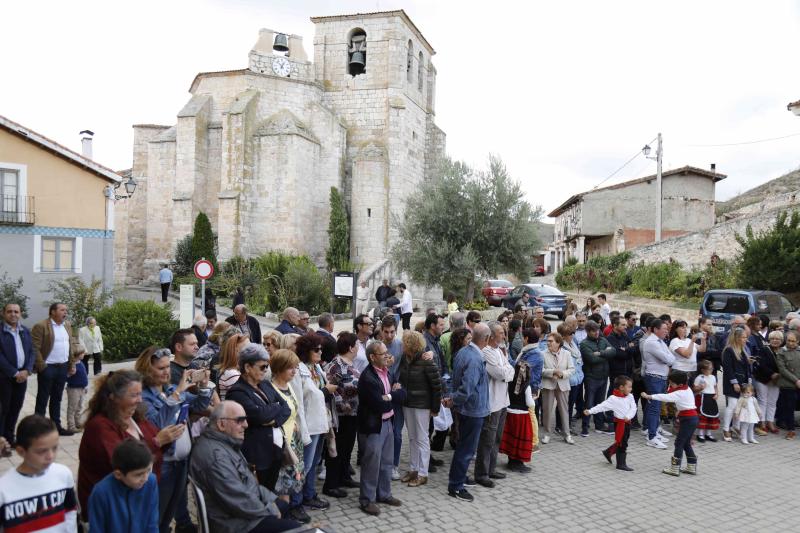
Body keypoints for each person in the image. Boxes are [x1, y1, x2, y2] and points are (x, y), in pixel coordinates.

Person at [78, 370, 184, 521]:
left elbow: (156, 445)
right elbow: (124, 462)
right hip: (113, 511)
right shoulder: (99, 427)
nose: (140, 400)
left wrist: (170, 435)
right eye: (133, 395)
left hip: (137, 503)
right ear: (114, 397)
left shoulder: (135, 418)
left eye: (140, 394)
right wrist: (157, 441)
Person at [189, 401, 301, 533]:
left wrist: (271, 500)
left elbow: (249, 484)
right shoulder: (215, 457)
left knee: (282, 505)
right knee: (296, 528)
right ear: (221, 424)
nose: (246, 425)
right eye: (240, 420)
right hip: (233, 523)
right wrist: (270, 510)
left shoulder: (224, 443)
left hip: (240, 513)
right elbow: (237, 499)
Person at [137, 346, 213, 533]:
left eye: (167, 367)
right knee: (159, 513)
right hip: (164, 463)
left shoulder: (170, 388)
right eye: (161, 368)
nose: (166, 372)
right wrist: (178, 393)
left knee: (173, 509)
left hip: (182, 461)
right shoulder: (143, 397)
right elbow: (159, 423)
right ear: (147, 370)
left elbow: (200, 405)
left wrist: (203, 386)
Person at [225, 345, 292, 491]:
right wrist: (275, 407)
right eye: (262, 367)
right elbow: (260, 416)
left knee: (270, 492)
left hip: (274, 451)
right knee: (258, 496)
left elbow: (286, 407)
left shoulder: (265, 384)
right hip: (256, 455)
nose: (266, 370)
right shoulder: (237, 392)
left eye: (267, 366)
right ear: (247, 367)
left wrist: (273, 420)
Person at [0, 415, 77, 531]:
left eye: (55, 448)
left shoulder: (63, 474)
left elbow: (70, 512)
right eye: (42, 451)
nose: (50, 456)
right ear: (21, 451)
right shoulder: (3, 489)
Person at [357, 341, 405, 515]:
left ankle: (384, 494)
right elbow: (380, 405)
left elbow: (402, 394)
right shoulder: (368, 377)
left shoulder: (388, 372)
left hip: (388, 423)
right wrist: (392, 396)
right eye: (383, 353)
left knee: (386, 462)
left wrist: (390, 395)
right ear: (372, 357)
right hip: (373, 427)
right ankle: (366, 500)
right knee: (371, 464)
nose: (387, 356)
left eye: (387, 353)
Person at [446, 323, 491, 502]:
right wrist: (453, 400)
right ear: (486, 339)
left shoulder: (464, 351)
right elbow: (466, 389)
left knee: (464, 447)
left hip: (466, 409)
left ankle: (460, 477)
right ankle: (456, 486)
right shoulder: (474, 358)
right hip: (472, 410)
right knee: (466, 449)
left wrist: (453, 400)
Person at [290, 334, 334, 512]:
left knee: (314, 463)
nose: (320, 352)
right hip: (307, 425)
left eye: (321, 349)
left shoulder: (316, 368)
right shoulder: (298, 370)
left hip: (320, 423)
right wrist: (325, 391)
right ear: (306, 351)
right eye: (316, 349)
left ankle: (308, 495)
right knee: (304, 466)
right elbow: (299, 402)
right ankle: (295, 503)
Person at [397, 331, 442, 487]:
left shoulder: (426, 361)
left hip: (422, 405)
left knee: (422, 438)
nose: (402, 345)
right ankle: (413, 469)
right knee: (412, 437)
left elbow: (437, 386)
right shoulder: (405, 358)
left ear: (410, 345)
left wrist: (435, 408)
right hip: (408, 403)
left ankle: (423, 473)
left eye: (404, 343)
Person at [88, 440, 159, 533]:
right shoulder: (101, 493)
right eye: (139, 474)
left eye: (149, 470)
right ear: (118, 474)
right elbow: (97, 529)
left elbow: (152, 522)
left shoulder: (151, 481)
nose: (145, 478)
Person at [322, 332, 361, 498]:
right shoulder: (336, 364)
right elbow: (332, 389)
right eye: (357, 344)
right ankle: (331, 484)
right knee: (336, 449)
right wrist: (343, 406)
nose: (359, 347)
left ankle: (344, 476)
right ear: (351, 347)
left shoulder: (349, 362)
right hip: (341, 415)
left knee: (347, 448)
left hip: (351, 414)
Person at [32, 302, 79, 436]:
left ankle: (56, 426)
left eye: (66, 310)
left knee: (57, 398)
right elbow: (34, 348)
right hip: (48, 367)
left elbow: (71, 346)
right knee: (43, 398)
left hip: (62, 367)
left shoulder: (67, 325)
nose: (65, 312)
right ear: (52, 312)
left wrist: (72, 364)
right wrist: (42, 367)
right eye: (62, 310)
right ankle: (38, 429)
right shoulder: (41, 326)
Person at [642, 371, 699, 476]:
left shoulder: (679, 393)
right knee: (685, 443)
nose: (670, 385)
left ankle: (675, 468)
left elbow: (665, 397)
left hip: (688, 419)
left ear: (680, 384)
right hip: (692, 418)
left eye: (672, 383)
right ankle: (691, 466)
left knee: (679, 443)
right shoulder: (687, 388)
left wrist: (649, 396)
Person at [583, 376, 636, 471]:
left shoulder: (630, 396)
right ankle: (621, 464)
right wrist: (590, 411)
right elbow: (602, 406)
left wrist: (628, 416)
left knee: (623, 441)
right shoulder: (613, 399)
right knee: (622, 444)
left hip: (627, 422)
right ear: (621, 387)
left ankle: (608, 452)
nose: (631, 389)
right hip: (619, 424)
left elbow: (634, 408)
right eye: (629, 387)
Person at [0, 302, 34, 449]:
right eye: (10, 311)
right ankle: (1, 442)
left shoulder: (25, 331)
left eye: (16, 311)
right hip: (5, 377)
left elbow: (32, 352)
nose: (13, 314)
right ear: (3, 313)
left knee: (15, 407)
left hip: (22, 376)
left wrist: (27, 370)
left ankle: (9, 437)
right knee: (3, 409)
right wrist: (14, 373)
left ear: (20, 314)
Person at [641, 318, 675, 448]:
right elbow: (668, 358)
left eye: (667, 329)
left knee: (655, 406)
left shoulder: (660, 341)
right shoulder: (651, 342)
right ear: (655, 329)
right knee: (655, 407)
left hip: (661, 377)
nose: (667, 331)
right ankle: (652, 437)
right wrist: (669, 359)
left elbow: (671, 357)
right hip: (654, 378)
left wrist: (669, 359)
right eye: (664, 329)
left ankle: (652, 430)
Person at [499, 350, 535, 473]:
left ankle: (511, 460)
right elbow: (530, 403)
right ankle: (517, 462)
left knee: (511, 437)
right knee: (520, 438)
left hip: (510, 413)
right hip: (522, 416)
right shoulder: (527, 386)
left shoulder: (509, 383)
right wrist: (534, 399)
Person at [580, 320, 615, 437]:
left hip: (604, 377)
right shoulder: (584, 344)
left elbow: (613, 352)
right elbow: (592, 360)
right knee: (589, 403)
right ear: (588, 332)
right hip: (592, 378)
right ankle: (585, 427)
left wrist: (599, 353)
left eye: (597, 330)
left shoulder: (603, 339)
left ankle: (599, 425)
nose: (596, 333)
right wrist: (606, 354)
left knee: (600, 402)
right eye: (593, 331)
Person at [540, 332, 575, 445]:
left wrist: (562, 374)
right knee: (547, 410)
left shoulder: (567, 354)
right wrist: (552, 372)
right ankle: (546, 434)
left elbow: (572, 369)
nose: (548, 343)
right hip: (548, 385)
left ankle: (567, 434)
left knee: (564, 410)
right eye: (547, 341)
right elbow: (540, 370)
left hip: (563, 385)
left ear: (558, 343)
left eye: (551, 341)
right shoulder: (542, 354)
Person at [721, 326, 752, 442]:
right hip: (732, 383)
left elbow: (747, 368)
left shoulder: (743, 350)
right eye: (743, 337)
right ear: (737, 338)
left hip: (743, 382)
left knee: (741, 405)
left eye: (746, 337)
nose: (745, 339)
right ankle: (725, 429)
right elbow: (728, 369)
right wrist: (734, 383)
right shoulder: (729, 350)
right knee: (732, 405)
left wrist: (748, 381)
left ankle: (736, 426)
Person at [753, 330, 782, 435]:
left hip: (777, 381)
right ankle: (762, 422)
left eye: (777, 339)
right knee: (762, 401)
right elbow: (762, 364)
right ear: (769, 340)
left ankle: (770, 422)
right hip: (763, 379)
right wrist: (772, 374)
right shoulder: (764, 350)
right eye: (773, 339)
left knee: (773, 402)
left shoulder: (782, 351)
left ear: (781, 341)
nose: (775, 341)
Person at [776, 330, 800, 439]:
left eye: (793, 341)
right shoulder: (781, 352)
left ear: (798, 341)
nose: (790, 343)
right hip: (788, 385)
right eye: (788, 340)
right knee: (790, 408)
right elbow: (782, 369)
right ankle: (791, 430)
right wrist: (796, 381)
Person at [693, 360, 720, 442]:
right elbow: (694, 388)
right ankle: (700, 434)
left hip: (711, 398)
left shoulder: (713, 377)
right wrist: (700, 388)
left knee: (711, 415)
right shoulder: (699, 378)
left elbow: (715, 386)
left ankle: (708, 434)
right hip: (703, 397)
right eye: (709, 369)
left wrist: (717, 394)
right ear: (703, 370)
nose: (711, 370)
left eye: (711, 369)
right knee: (703, 416)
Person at [66, 342, 88, 433]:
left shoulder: (81, 363)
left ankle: (77, 422)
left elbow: (84, 376)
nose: (84, 354)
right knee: (72, 407)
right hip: (73, 389)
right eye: (82, 353)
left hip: (82, 388)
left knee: (79, 406)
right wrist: (69, 374)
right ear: (77, 354)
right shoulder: (72, 365)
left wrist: (85, 386)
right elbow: (66, 376)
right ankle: (71, 426)